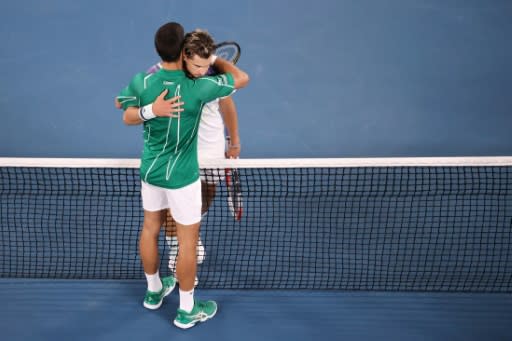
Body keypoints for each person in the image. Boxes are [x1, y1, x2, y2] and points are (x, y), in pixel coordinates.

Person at [117, 23, 249, 329]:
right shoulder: (198, 87)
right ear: (184, 53)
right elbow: (242, 79)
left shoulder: (146, 80)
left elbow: (123, 111)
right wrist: (215, 61)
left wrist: (151, 109)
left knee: (150, 228)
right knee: (187, 241)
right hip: (183, 173)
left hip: (151, 171)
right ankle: (187, 309)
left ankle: (153, 292)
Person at [146, 54, 242, 285]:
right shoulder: (158, 74)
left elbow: (227, 103)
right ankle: (176, 250)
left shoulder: (211, 72)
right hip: (180, 151)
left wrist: (234, 141)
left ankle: (190, 233)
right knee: (173, 206)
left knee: (207, 194)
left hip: (210, 148)